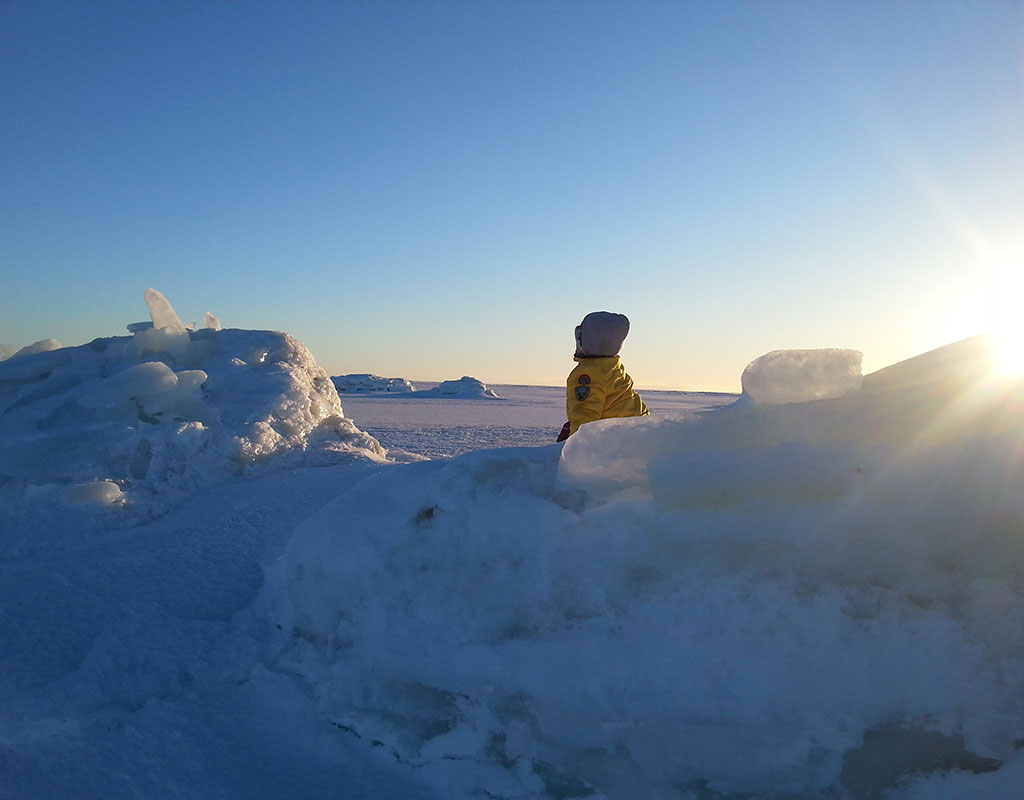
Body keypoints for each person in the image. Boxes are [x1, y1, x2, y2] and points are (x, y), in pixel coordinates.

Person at [556, 311, 649, 441]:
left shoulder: (587, 374)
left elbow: (585, 416)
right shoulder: (613, 367)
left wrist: (576, 446)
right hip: (636, 433)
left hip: (613, 440)